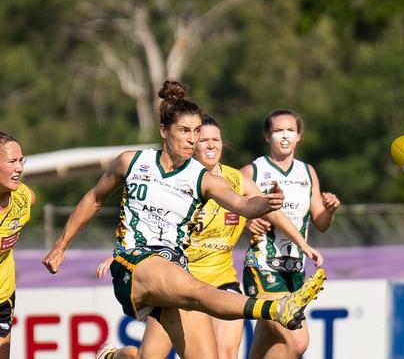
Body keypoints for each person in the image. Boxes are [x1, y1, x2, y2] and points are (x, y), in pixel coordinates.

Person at [42, 80, 326, 359]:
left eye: (197, 131)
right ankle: (275, 309)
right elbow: (94, 198)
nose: (192, 139)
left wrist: (265, 203)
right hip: (136, 262)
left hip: (175, 270)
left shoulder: (202, 178)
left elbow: (241, 204)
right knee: (199, 292)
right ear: (164, 130)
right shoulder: (131, 162)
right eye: (185, 131)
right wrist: (60, 245)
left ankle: (117, 357)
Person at [241, 108, 340, 359]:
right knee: (296, 341)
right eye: (277, 131)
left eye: (290, 131)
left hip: (294, 270)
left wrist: (330, 209)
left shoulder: (307, 173)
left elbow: (321, 223)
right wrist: (245, 223)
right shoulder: (252, 171)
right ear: (267, 136)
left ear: (299, 136)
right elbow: (227, 211)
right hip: (263, 266)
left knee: (267, 345)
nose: (284, 136)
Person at [0, 132, 36, 359]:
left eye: (21, 160)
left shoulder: (21, 196)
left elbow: (32, 197)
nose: (20, 168)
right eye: (12, 161)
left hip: (3, 296)